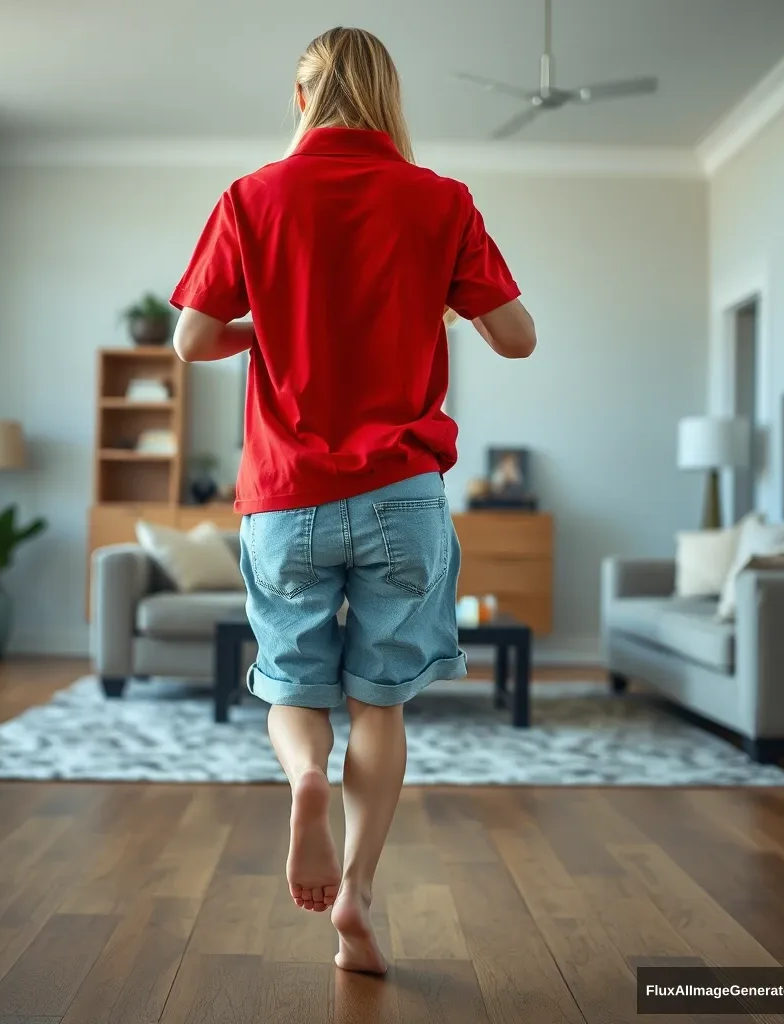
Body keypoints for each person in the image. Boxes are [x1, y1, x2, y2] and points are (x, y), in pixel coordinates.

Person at [171, 26, 535, 974]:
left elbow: (191, 338)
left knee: (294, 684)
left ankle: (303, 780)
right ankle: (360, 896)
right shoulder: (440, 201)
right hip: (402, 498)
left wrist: (271, 326)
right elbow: (519, 338)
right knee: (383, 703)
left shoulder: (253, 196)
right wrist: (438, 303)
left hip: (284, 500)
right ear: (387, 99)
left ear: (302, 98)